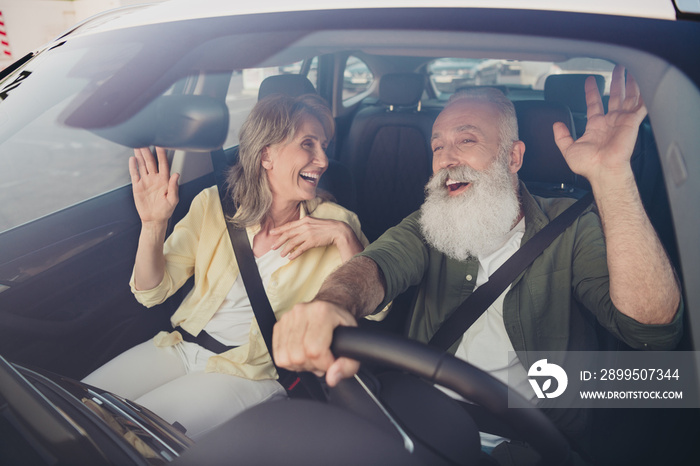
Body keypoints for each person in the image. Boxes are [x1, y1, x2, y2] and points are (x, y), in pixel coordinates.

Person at [272, 66, 683, 458]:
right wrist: (331, 303)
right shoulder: (429, 222)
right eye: (437, 146)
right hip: (419, 427)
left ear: (513, 157)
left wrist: (611, 177)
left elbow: (652, 329)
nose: (446, 159)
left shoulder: (570, 225)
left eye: (466, 141)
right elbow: (376, 265)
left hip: (530, 442)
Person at [82, 93, 367, 440]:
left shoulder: (336, 223)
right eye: (308, 144)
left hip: (248, 372)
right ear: (267, 154)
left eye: (324, 145)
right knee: (79, 408)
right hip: (179, 347)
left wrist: (342, 236)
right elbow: (151, 292)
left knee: (136, 442)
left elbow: (379, 309)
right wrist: (153, 225)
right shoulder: (213, 205)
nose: (322, 160)